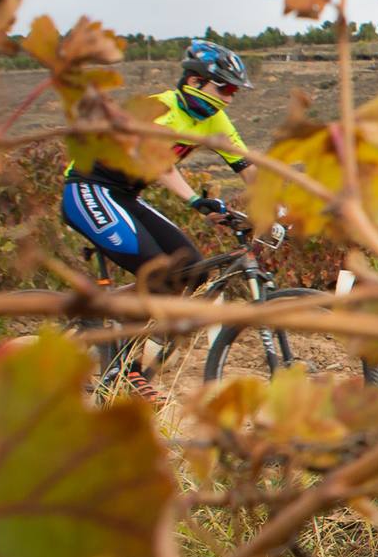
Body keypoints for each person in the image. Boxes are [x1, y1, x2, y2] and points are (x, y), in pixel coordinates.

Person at [60, 39, 255, 398]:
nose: (229, 97)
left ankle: (110, 313)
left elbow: (247, 166)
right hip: (88, 189)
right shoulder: (158, 110)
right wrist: (198, 201)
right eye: (224, 88)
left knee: (192, 269)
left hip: (125, 196)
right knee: (157, 271)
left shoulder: (215, 119)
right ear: (195, 82)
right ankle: (123, 367)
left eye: (234, 91)